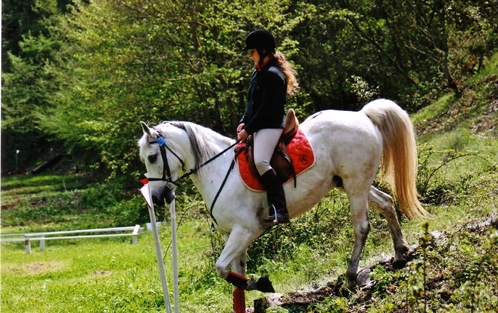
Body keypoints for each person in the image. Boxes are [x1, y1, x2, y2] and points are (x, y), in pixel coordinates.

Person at [237, 29, 299, 224]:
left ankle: (280, 210)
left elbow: (265, 111)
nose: (250, 55)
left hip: (271, 124)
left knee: (261, 162)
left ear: (263, 50)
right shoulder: (258, 72)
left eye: (252, 51)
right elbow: (251, 105)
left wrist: (248, 129)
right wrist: (243, 122)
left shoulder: (273, 75)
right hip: (260, 123)